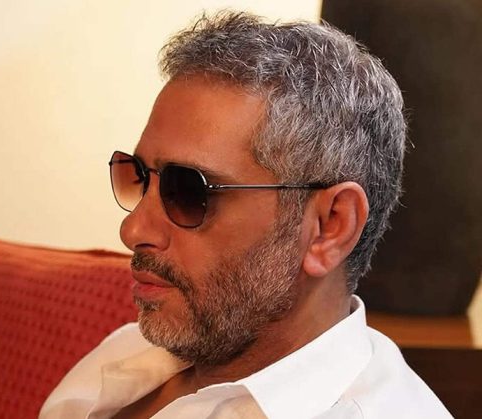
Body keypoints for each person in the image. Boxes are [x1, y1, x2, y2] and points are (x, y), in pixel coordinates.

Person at [39, 11, 451, 419]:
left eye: (188, 191)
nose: (132, 229)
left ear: (330, 227)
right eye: (139, 176)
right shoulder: (129, 352)